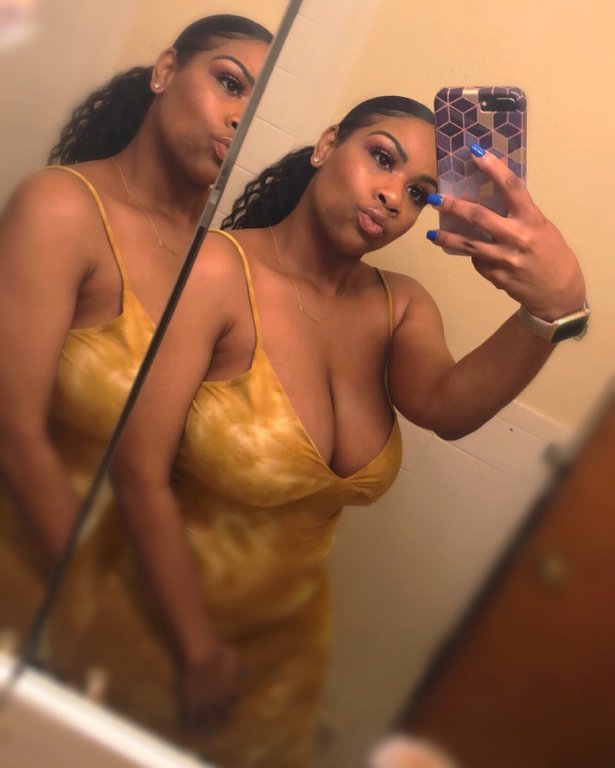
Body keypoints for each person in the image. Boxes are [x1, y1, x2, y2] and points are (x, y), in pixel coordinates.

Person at [44, 94, 583, 768]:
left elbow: (448, 411)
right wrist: (197, 650)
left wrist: (550, 311)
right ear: (327, 146)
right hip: (149, 628)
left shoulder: (398, 307)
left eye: (419, 192)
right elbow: (136, 472)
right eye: (380, 158)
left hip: (282, 662)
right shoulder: (216, 270)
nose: (392, 197)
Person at [0, 14, 271, 648]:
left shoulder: (218, 264)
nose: (240, 116)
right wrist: (107, 609)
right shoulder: (62, 207)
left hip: (131, 619)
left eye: (258, 105)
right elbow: (14, 434)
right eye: (230, 83)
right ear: (166, 70)